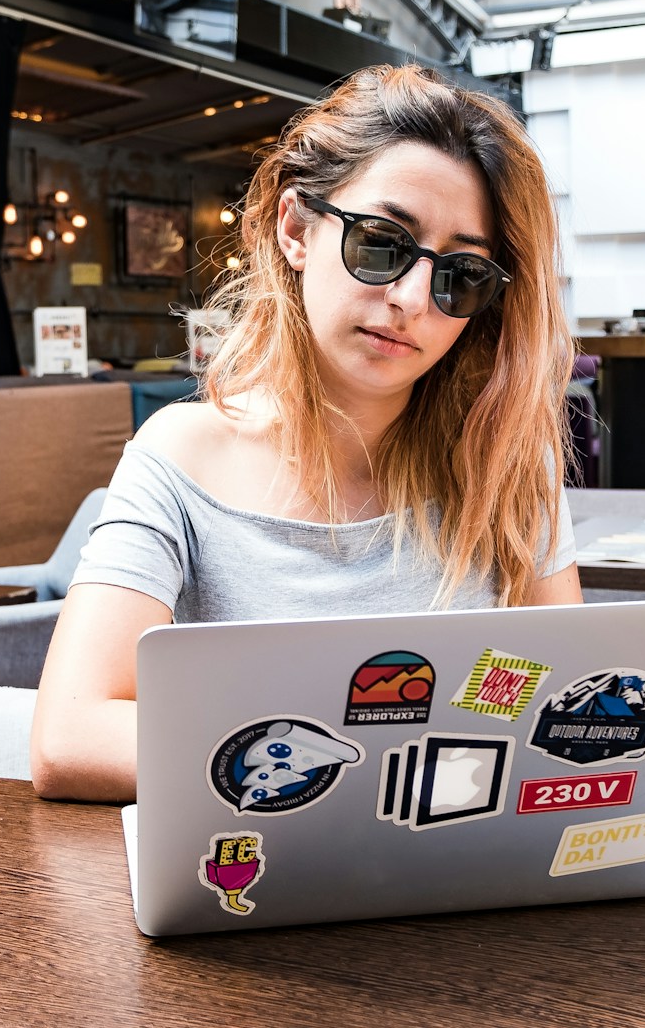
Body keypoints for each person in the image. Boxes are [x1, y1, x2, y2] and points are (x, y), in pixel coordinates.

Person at [30, 65, 582, 802]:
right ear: (296, 229)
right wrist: (366, 771)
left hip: (455, 879)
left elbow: (561, 712)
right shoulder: (180, 454)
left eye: (462, 275)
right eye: (383, 243)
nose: (413, 299)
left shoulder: (508, 462)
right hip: (246, 880)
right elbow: (70, 736)